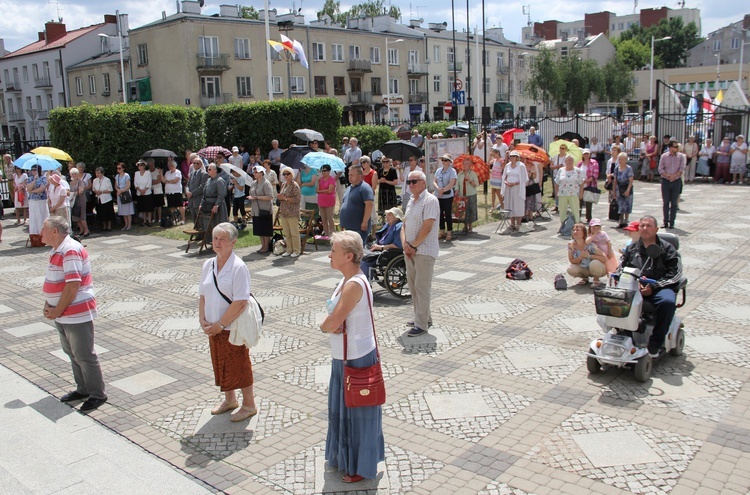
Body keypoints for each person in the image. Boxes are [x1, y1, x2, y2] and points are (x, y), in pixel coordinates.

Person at [320, 231, 385, 484]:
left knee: (358, 415)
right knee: (345, 410)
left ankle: (361, 465)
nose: (329, 255)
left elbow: (334, 321)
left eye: (333, 251)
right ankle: (345, 457)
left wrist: (324, 326)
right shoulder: (347, 279)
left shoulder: (354, 284)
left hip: (356, 356)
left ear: (348, 256)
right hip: (346, 355)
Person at [41, 215, 107, 412]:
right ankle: (83, 388)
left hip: (75, 312)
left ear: (54, 231)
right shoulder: (57, 250)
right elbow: (54, 280)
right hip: (63, 313)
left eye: (44, 229)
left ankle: (97, 393)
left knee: (84, 354)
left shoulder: (70, 250)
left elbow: (73, 285)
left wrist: (57, 309)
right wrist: (48, 304)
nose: (40, 232)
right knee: (71, 352)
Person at [199, 222, 258, 422]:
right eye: (215, 238)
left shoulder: (238, 267)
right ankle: (230, 399)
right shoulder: (208, 264)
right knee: (221, 363)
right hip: (213, 326)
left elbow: (240, 301)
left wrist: (221, 324)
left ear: (233, 242)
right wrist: (202, 319)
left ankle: (249, 404)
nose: (217, 242)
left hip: (232, 326)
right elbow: (203, 295)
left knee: (239, 364)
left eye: (222, 239)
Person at [619, 215, 683, 357]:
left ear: (656, 229)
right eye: (642, 226)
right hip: (635, 288)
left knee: (667, 302)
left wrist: (654, 286)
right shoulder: (632, 249)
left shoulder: (668, 249)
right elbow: (620, 269)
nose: (645, 229)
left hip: (660, 288)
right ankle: (626, 338)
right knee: (614, 299)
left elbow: (675, 274)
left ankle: (655, 343)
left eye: (648, 226)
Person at [401, 170, 439, 336]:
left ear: (423, 183)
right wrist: (405, 244)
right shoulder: (411, 201)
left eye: (414, 181)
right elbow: (404, 224)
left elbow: (427, 226)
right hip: (409, 251)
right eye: (409, 181)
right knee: (413, 287)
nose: (411, 184)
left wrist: (413, 246)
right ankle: (422, 317)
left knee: (422, 287)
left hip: (424, 251)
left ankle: (421, 325)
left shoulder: (430, 200)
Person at [360, 207, 404, 279]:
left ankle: (365, 283)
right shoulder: (387, 225)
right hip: (379, 248)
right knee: (359, 256)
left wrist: (381, 247)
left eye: (390, 215)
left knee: (365, 262)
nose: (387, 216)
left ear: (396, 217)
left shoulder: (399, 227)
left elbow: (397, 245)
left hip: (388, 253)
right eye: (387, 215)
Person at [340, 165, 374, 245]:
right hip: (348, 227)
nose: (349, 177)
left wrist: (365, 221)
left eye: (352, 175)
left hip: (358, 227)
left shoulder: (365, 188)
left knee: (357, 250)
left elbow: (369, 204)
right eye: (349, 175)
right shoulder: (349, 188)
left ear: (359, 176)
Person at [567, 222, 608, 287]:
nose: (575, 232)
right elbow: (571, 260)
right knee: (570, 269)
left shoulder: (590, 244)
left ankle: (596, 279)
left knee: (594, 263)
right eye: (573, 230)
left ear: (584, 233)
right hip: (584, 269)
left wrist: (590, 256)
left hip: (598, 269)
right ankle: (585, 278)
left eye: (577, 230)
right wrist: (580, 257)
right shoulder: (571, 244)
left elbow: (604, 258)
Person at [658, 139, 685, 229]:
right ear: (670, 147)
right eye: (675, 147)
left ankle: (672, 222)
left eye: (677, 147)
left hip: (676, 181)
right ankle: (665, 221)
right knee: (666, 202)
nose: (677, 148)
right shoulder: (664, 156)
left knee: (674, 203)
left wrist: (675, 176)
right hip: (666, 181)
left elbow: (681, 169)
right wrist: (667, 176)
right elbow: (661, 169)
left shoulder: (680, 156)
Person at [499, 151, 528, 234]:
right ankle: (512, 224)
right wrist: (506, 182)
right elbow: (504, 176)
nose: (511, 157)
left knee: (517, 204)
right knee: (510, 204)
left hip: (517, 187)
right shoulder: (507, 165)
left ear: (517, 157)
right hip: (509, 187)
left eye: (513, 156)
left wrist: (515, 183)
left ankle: (518, 224)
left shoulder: (521, 166)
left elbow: (524, 178)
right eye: (510, 156)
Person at [247, 165, 274, 254]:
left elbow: (270, 196)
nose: (254, 174)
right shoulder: (254, 183)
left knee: (265, 229)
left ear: (261, 173)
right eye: (253, 172)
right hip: (256, 209)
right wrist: (251, 197)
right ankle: (262, 245)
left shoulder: (266, 183)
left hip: (264, 209)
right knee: (259, 229)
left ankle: (266, 246)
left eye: (256, 172)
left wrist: (257, 197)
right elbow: (251, 192)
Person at [277, 167, 303, 257]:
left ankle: (296, 250)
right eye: (284, 174)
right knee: (287, 232)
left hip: (292, 212)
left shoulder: (295, 185)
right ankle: (289, 249)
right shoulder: (283, 184)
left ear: (292, 175)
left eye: (288, 174)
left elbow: (297, 199)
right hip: (284, 211)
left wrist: (285, 198)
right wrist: (280, 197)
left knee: (294, 233)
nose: (286, 176)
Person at [200, 163, 228, 244]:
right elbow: (204, 194)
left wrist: (216, 205)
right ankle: (210, 240)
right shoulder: (208, 180)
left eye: (209, 169)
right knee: (208, 224)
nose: (207, 171)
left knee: (218, 224)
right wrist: (201, 204)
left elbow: (221, 195)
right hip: (207, 205)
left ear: (215, 170)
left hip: (217, 206)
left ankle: (221, 242)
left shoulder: (219, 180)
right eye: (207, 169)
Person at [433, 154, 457, 241]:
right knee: (439, 214)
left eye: (446, 160)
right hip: (438, 195)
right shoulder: (439, 170)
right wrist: (438, 189)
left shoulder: (452, 171)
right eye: (443, 160)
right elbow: (434, 181)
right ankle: (442, 231)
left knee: (447, 214)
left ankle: (449, 231)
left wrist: (442, 190)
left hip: (447, 195)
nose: (444, 162)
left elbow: (452, 183)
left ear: (450, 162)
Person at [555, 155, 584, 226]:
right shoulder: (561, 170)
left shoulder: (577, 170)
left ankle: (577, 225)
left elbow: (582, 183)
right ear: (565, 161)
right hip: (562, 193)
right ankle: (563, 225)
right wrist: (556, 194)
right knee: (562, 210)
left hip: (574, 193)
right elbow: (556, 183)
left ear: (573, 162)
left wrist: (581, 194)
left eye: (571, 160)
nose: (569, 162)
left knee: (575, 210)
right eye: (567, 160)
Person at [456, 158, 479, 233]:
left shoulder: (472, 174)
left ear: (470, 165)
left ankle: (470, 226)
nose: (465, 165)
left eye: (467, 164)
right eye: (464, 164)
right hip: (462, 195)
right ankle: (465, 226)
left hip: (471, 194)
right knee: (463, 210)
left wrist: (470, 180)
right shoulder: (460, 174)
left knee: (471, 210)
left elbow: (476, 184)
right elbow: (457, 184)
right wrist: (456, 191)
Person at [27, 164, 50, 238]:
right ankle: (35, 235)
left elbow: (42, 189)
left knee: (41, 216)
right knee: (33, 218)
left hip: (41, 200)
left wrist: (32, 191)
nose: (33, 171)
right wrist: (34, 180)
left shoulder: (43, 178)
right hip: (32, 201)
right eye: (32, 169)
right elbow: (28, 188)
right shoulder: (30, 179)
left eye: (35, 169)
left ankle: (43, 235)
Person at [614, 152, 634, 229]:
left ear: (626, 160)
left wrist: (628, 190)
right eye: (619, 159)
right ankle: (621, 221)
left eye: (622, 159)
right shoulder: (616, 168)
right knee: (620, 205)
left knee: (627, 205)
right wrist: (614, 191)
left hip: (627, 187)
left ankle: (626, 221)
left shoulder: (629, 168)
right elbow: (615, 181)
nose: (620, 161)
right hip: (619, 188)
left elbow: (631, 180)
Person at [316, 165, 337, 240]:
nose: (323, 172)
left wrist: (321, 191)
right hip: (321, 201)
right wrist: (318, 182)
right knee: (323, 219)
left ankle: (332, 233)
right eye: (322, 171)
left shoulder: (332, 179)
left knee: (330, 218)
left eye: (325, 170)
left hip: (329, 201)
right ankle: (326, 233)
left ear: (328, 171)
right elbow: (317, 190)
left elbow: (330, 190)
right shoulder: (320, 179)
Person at [579, 149, 599, 223]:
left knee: (588, 202)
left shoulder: (594, 163)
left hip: (589, 184)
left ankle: (589, 217)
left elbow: (595, 174)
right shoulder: (580, 163)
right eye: (584, 154)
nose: (586, 155)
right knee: (579, 201)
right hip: (580, 185)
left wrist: (587, 180)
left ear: (589, 154)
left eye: (587, 154)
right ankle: (578, 216)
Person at [69, 168, 91, 237]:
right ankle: (81, 230)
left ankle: (86, 230)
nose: (74, 175)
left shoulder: (81, 182)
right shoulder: (70, 182)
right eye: (73, 174)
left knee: (82, 216)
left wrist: (72, 193)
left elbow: (80, 191)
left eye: (75, 174)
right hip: (74, 201)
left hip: (81, 200)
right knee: (76, 216)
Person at [186, 156, 208, 224]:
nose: (195, 164)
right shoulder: (192, 173)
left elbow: (202, 187)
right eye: (194, 163)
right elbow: (187, 184)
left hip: (198, 201)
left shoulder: (204, 174)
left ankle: (201, 234)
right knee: (194, 221)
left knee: (200, 220)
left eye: (197, 163)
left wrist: (192, 193)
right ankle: (196, 233)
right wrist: (187, 191)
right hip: (191, 201)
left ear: (201, 164)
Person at [92, 167, 115, 231]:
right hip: (99, 199)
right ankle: (104, 226)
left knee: (108, 213)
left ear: (102, 173)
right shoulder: (95, 180)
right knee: (101, 213)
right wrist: (96, 191)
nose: (97, 174)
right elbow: (93, 188)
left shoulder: (107, 180)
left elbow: (110, 189)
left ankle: (109, 226)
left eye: (98, 173)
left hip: (106, 199)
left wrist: (102, 192)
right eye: (96, 173)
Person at [164, 158, 185, 225]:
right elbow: (164, 181)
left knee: (180, 205)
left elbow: (175, 180)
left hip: (176, 191)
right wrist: (160, 174)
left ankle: (183, 219)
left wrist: (168, 181)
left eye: (171, 165)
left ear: (174, 165)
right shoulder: (167, 173)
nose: (169, 166)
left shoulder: (178, 172)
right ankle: (174, 219)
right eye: (169, 165)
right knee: (171, 206)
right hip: (169, 191)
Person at [114, 162, 134, 231]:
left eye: (119, 168)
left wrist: (122, 190)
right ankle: (125, 224)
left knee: (128, 210)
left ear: (123, 168)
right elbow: (116, 185)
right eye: (117, 168)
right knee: (122, 210)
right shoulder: (117, 176)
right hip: (120, 193)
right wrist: (118, 190)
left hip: (125, 193)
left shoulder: (126, 176)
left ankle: (129, 225)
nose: (118, 169)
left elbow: (128, 186)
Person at [134, 160, 153, 226]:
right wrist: (140, 190)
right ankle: (144, 221)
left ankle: (149, 221)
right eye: (139, 165)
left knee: (148, 208)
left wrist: (144, 190)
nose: (140, 166)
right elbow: (135, 183)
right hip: (139, 193)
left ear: (144, 166)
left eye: (142, 165)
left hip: (147, 192)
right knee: (143, 208)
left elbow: (149, 183)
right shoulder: (136, 173)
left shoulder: (148, 173)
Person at [148, 158, 165, 225]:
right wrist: (152, 181)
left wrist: (151, 181)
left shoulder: (157, 170)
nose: (150, 166)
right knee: (153, 206)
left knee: (159, 205)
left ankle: (160, 218)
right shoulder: (148, 171)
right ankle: (154, 218)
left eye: (151, 164)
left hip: (158, 190)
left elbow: (158, 180)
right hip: (151, 190)